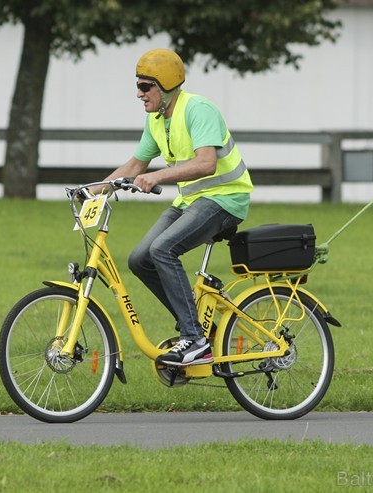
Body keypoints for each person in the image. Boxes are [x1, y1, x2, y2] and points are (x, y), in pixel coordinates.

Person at [96, 48, 254, 366]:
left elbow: (207, 163)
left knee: (163, 249)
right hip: (191, 201)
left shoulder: (198, 109)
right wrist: (94, 190)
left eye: (144, 86)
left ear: (165, 84)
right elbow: (135, 164)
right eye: (137, 86)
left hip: (225, 199)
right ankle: (192, 328)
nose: (139, 94)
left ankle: (195, 341)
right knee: (140, 259)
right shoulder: (156, 120)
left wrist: (158, 176)